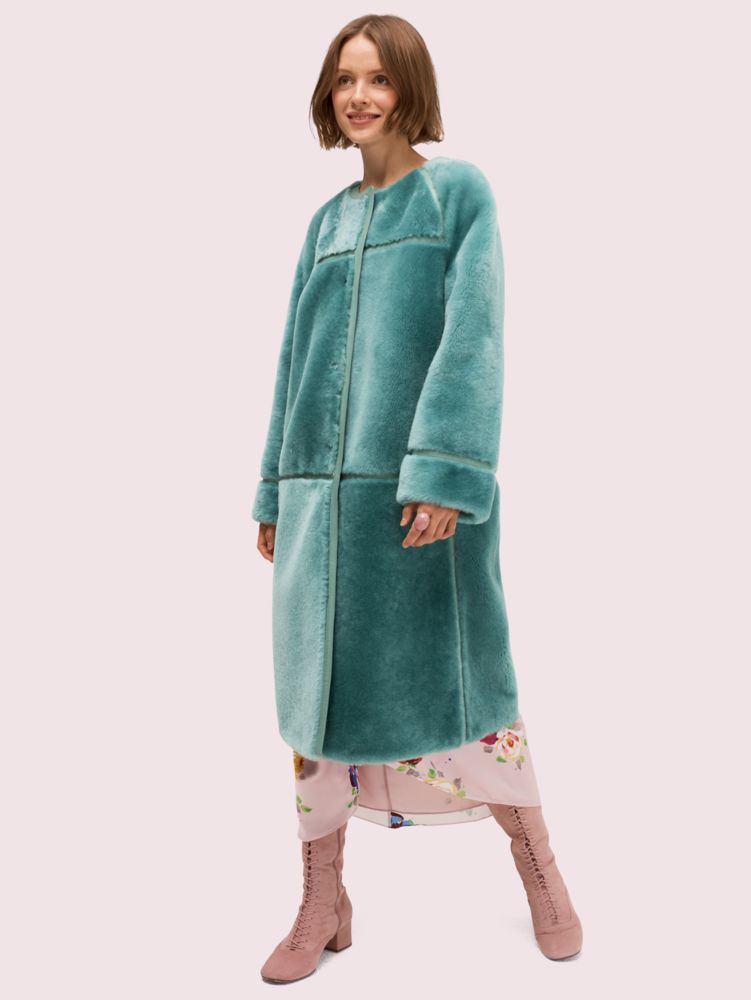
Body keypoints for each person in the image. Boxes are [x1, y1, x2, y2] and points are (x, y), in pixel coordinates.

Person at [251, 14, 583, 984]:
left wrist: (443, 471)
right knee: (315, 714)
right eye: (344, 79)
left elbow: (474, 336)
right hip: (320, 520)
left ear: (410, 89)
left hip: (414, 514)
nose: (359, 96)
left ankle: (539, 867)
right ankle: (322, 899)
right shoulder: (325, 223)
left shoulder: (457, 194)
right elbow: (292, 362)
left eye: (378, 79)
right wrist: (274, 487)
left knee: (470, 695)